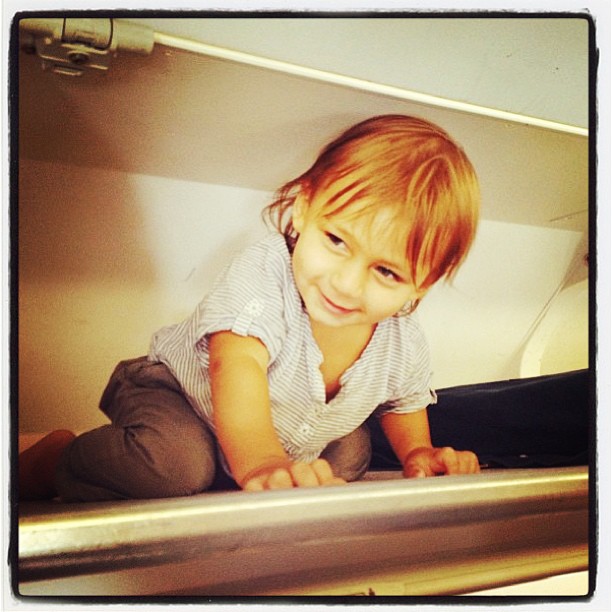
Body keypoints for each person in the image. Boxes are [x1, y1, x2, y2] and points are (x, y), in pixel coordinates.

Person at [19, 114, 481, 502]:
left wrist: (417, 453)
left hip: (284, 430)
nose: (346, 283)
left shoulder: (402, 340)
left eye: (386, 272)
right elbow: (235, 363)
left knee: (350, 454)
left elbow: (402, 403)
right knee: (175, 466)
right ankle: (56, 458)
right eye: (336, 241)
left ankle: (235, 466)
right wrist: (261, 463)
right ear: (304, 208)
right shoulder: (265, 272)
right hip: (180, 396)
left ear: (423, 283)